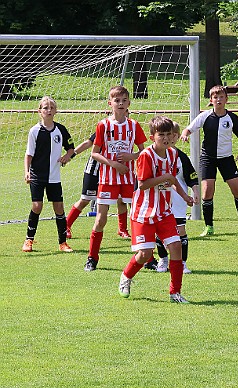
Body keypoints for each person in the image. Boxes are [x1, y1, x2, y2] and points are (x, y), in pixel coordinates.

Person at [118, 116, 194, 303]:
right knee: (145, 255)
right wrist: (165, 177)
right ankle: (126, 277)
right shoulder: (146, 156)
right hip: (143, 212)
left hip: (164, 212)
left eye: (169, 134)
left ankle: (174, 293)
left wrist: (185, 196)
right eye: (161, 135)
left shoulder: (173, 154)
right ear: (153, 137)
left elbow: (173, 179)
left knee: (176, 247)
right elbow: (142, 184)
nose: (166, 138)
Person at [181, 85, 238, 236]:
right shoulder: (205, 116)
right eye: (215, 97)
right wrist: (185, 134)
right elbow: (188, 128)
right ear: (211, 100)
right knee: (207, 192)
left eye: (221, 97)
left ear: (226, 100)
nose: (218, 100)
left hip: (226, 159)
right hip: (208, 159)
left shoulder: (232, 118)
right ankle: (209, 227)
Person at [84, 86, 147, 272]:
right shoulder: (103, 125)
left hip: (129, 179)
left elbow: (144, 151)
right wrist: (114, 164)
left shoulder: (134, 125)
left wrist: (132, 157)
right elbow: (95, 154)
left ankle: (146, 256)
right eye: (116, 100)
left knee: (138, 217)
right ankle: (92, 258)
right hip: (107, 179)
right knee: (101, 219)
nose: (120, 103)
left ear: (129, 103)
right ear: (110, 103)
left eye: (124, 100)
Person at [66, 112, 132, 240]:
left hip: (115, 171)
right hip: (95, 170)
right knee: (85, 199)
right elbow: (88, 143)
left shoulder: (130, 130)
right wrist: (72, 154)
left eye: (126, 113)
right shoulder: (105, 127)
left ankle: (122, 229)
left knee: (121, 200)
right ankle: (66, 226)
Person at [22, 96, 75, 253]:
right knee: (37, 206)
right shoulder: (34, 131)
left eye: (52, 107)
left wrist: (67, 157)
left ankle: (63, 243)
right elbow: (28, 154)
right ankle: (28, 240)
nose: (49, 110)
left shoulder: (61, 130)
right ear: (40, 111)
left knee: (58, 207)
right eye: (45, 108)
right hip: (37, 175)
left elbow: (71, 149)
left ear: (56, 111)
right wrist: (26, 171)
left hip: (54, 177)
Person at [155, 121, 200, 274]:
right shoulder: (153, 155)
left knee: (180, 230)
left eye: (173, 135)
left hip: (178, 200)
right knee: (159, 231)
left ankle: (182, 263)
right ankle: (163, 259)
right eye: (167, 135)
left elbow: (192, 177)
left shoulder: (181, 157)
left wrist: (195, 191)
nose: (170, 138)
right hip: (159, 198)